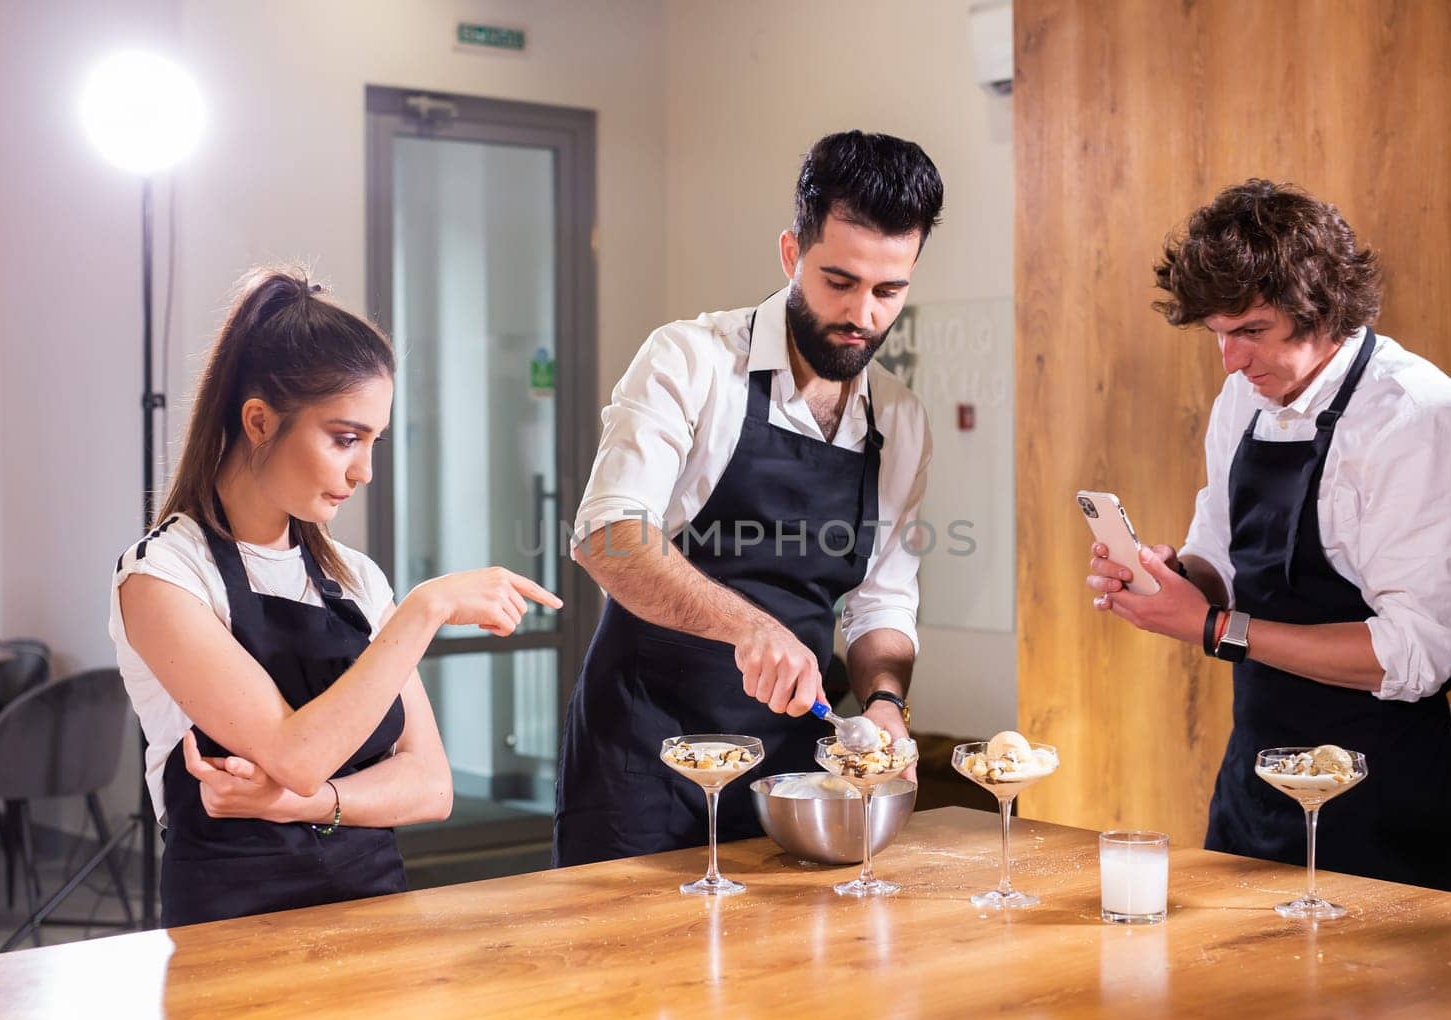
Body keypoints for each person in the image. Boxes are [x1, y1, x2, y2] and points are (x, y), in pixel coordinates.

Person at [1088, 180, 1451, 891]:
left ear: (1324, 309)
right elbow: (1218, 555)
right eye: (1219, 334)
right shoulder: (1243, 400)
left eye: (1251, 332)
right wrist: (1176, 579)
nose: (1231, 361)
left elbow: (1415, 653)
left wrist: (1216, 627)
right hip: (1255, 781)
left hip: (1377, 799)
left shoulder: (1420, 421)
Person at [111, 268, 561, 926]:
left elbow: (430, 787)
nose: (364, 471)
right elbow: (297, 754)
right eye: (345, 438)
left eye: (372, 442)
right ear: (259, 421)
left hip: (376, 913)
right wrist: (424, 610)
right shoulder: (163, 578)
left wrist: (309, 803)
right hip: (233, 931)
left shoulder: (354, 577)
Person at [555, 131, 942, 865]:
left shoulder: (900, 420)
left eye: (888, 290)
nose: (863, 313)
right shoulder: (691, 361)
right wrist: (748, 629)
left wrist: (887, 702)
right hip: (645, 758)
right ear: (792, 255)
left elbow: (882, 602)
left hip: (791, 769)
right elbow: (607, 534)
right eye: (840, 280)